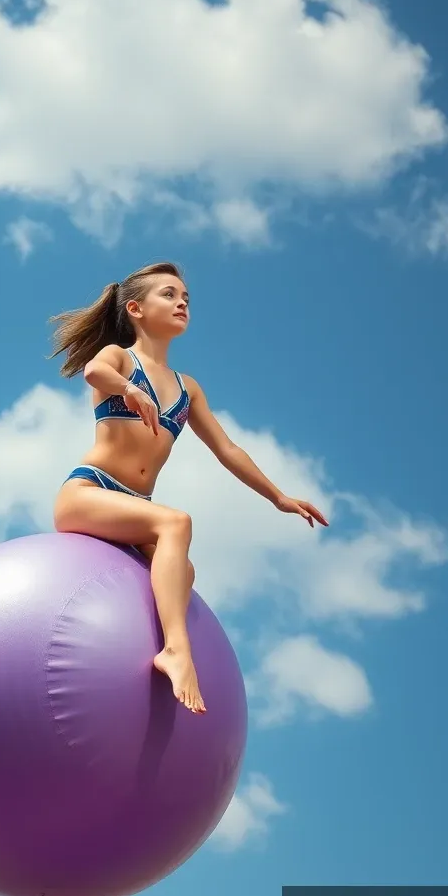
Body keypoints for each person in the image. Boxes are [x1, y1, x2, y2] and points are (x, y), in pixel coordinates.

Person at [49, 261, 328, 714]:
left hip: (135, 508)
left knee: (184, 575)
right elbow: (94, 374)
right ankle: (177, 651)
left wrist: (279, 497)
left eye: (186, 299)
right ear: (136, 309)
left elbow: (228, 448)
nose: (181, 303)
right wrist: (130, 390)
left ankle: (132, 666)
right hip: (89, 493)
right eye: (169, 294)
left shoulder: (186, 388)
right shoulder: (121, 358)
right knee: (176, 522)